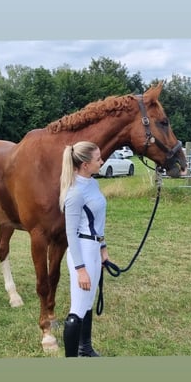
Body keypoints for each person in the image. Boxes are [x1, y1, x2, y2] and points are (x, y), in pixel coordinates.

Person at [59, 141, 111, 357]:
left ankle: (85, 348)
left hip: (94, 247)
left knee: (87, 303)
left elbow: (98, 219)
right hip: (82, 250)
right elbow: (71, 233)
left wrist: (103, 247)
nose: (102, 161)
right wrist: (80, 268)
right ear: (85, 164)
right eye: (98, 158)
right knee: (78, 308)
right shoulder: (75, 193)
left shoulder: (92, 183)